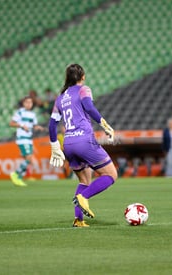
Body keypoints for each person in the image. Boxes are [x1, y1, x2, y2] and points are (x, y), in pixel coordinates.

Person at [48, 64, 117, 227]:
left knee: (84, 180)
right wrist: (104, 123)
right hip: (84, 140)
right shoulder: (83, 90)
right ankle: (84, 197)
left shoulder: (60, 98)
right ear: (83, 76)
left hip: (69, 143)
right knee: (111, 175)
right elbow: (89, 107)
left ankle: (78, 220)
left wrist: (54, 145)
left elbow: (52, 125)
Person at [9, 96, 45, 187]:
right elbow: (11, 123)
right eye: (27, 102)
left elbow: (34, 125)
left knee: (27, 159)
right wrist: (21, 125)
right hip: (22, 138)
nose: (29, 104)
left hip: (29, 138)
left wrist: (38, 127)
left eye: (30, 102)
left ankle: (19, 178)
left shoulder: (32, 114)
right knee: (29, 157)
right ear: (24, 103)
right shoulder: (20, 112)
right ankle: (16, 174)